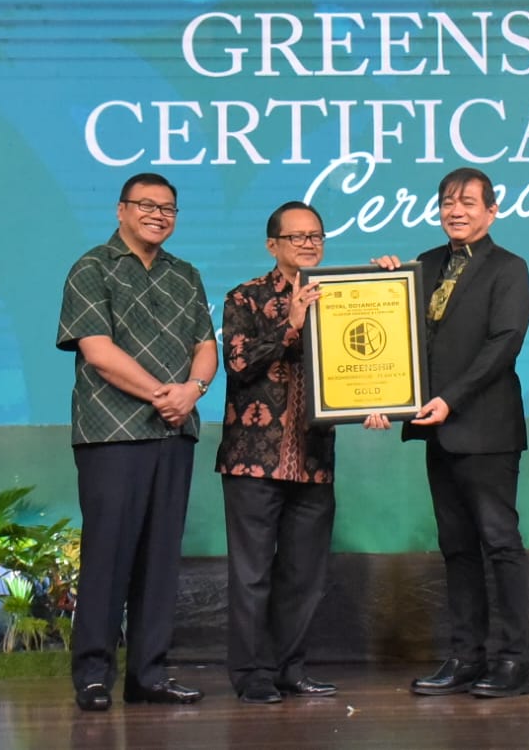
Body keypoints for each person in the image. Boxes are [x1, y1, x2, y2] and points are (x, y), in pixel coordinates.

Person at [365, 167, 529, 698]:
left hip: (486, 429)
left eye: (467, 202)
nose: (455, 211)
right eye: (447, 202)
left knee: (500, 543)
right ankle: (466, 656)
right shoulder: (424, 265)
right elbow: (397, 338)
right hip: (436, 430)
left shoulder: (509, 267)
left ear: (492, 211)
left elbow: (504, 343)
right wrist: (384, 286)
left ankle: (515, 661)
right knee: (456, 547)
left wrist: (451, 399)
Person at [57, 172, 217, 712]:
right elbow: (98, 352)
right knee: (108, 555)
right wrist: (161, 394)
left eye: (168, 208)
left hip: (174, 431)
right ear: (121, 210)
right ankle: (93, 676)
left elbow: (206, 347)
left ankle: (149, 674)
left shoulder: (186, 275)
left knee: (160, 559)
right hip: (111, 433)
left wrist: (192, 391)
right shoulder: (91, 268)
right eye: (146, 205)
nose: (158, 215)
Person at [215, 201, 340, 705]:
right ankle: (252, 674)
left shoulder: (339, 297)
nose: (309, 244)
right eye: (297, 237)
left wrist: (378, 402)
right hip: (252, 459)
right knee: (251, 575)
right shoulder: (244, 297)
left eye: (316, 236)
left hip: (314, 459)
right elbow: (238, 363)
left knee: (303, 577)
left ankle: (291, 669)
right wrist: (291, 322)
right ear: (273, 245)